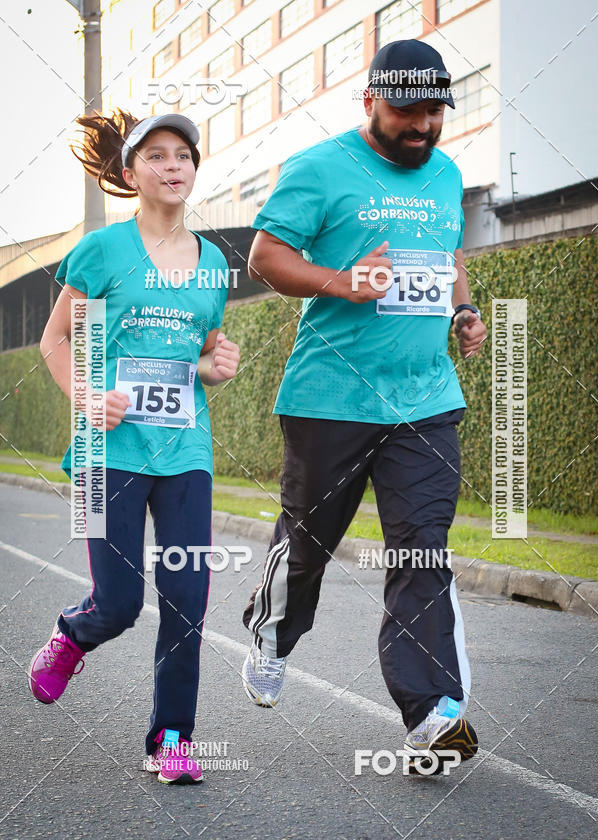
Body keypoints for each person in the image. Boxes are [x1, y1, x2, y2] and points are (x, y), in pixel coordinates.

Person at [241, 40, 486, 771]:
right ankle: (274, 630)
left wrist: (462, 313)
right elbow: (265, 258)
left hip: (425, 399)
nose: (422, 127)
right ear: (370, 99)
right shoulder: (319, 168)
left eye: (433, 112)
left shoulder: (446, 173)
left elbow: (446, 256)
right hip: (332, 398)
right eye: (407, 111)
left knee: (420, 548)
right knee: (309, 541)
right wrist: (346, 283)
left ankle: (430, 713)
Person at [28, 110, 240, 784]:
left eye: (184, 155)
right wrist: (89, 398)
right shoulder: (101, 253)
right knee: (119, 602)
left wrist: (218, 365)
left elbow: (201, 354)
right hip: (105, 452)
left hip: (186, 453)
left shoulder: (212, 266)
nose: (174, 166)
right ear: (130, 172)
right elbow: (57, 341)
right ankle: (73, 633)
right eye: (157, 155)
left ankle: (172, 739)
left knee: (188, 598)